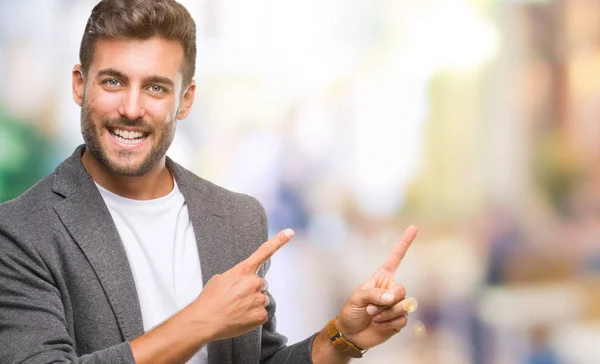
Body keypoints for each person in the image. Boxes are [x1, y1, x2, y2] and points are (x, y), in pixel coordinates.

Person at [0, 1, 419, 363]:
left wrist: (341, 338)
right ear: (79, 85)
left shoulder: (237, 219)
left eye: (156, 88)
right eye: (113, 81)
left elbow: (260, 360)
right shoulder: (21, 231)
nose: (131, 108)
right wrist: (201, 321)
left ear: (185, 100)